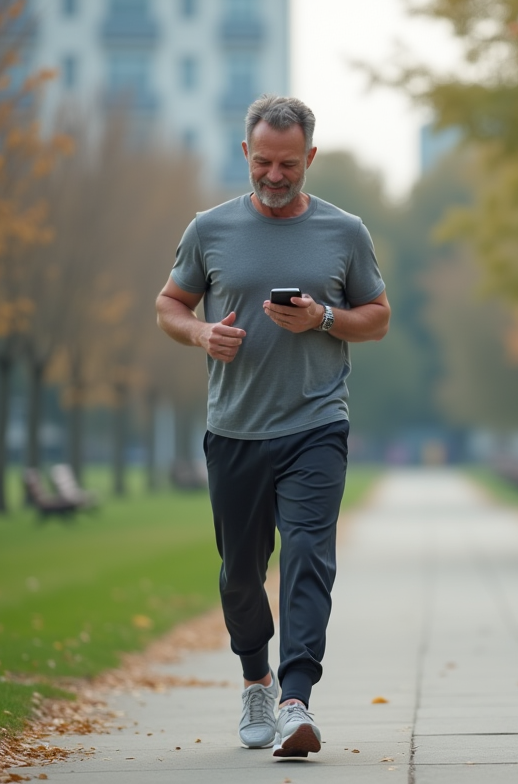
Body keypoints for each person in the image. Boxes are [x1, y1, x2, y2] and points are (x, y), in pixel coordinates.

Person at [155, 95, 389, 758]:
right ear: (245, 156)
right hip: (234, 428)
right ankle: (255, 679)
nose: (276, 174)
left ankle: (294, 702)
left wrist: (322, 319)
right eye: (264, 161)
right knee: (239, 574)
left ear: (309, 157)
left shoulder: (346, 233)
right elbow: (169, 303)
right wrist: (201, 331)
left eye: (289, 163)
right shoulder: (210, 230)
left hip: (316, 422)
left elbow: (377, 315)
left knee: (309, 558)